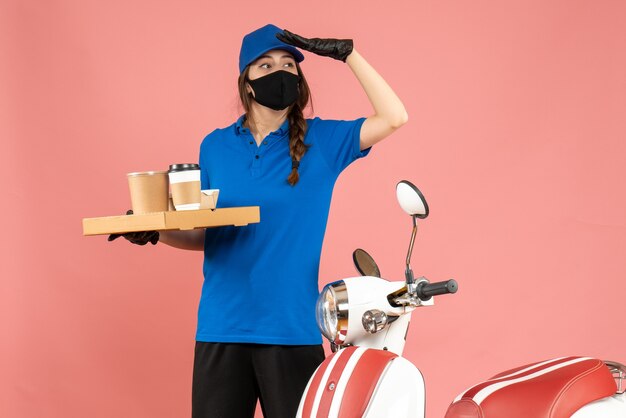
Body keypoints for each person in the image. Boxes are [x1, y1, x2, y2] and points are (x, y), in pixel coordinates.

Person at [109, 24, 408, 418]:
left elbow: (394, 116)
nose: (278, 73)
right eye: (265, 66)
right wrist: (155, 231)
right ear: (247, 83)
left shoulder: (325, 143)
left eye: (288, 65)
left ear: (299, 81)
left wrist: (347, 55)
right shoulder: (215, 145)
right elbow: (210, 231)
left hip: (290, 329)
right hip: (221, 328)